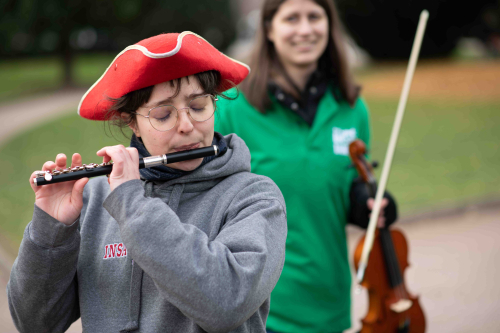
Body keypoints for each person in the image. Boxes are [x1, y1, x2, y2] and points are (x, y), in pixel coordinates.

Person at [7, 32, 287, 333]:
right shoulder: (97, 195)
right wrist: (51, 230)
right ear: (132, 122)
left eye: (198, 106)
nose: (187, 126)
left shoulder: (254, 196)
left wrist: (132, 204)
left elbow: (227, 303)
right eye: (163, 114)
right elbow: (35, 323)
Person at [215, 1, 397, 332]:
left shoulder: (353, 108)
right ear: (269, 29)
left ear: (330, 26)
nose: (305, 29)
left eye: (315, 17)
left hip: (329, 301)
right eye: (292, 18)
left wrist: (366, 204)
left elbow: (345, 187)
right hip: (260, 306)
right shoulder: (232, 110)